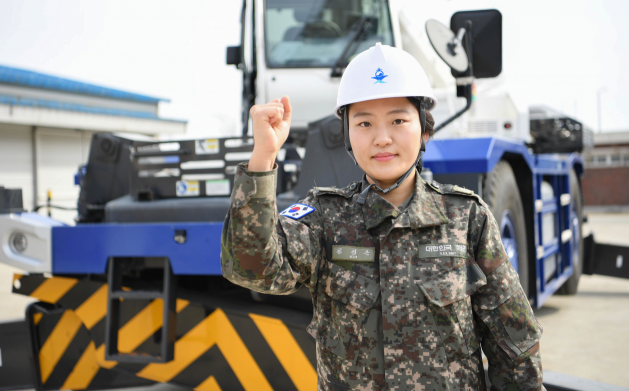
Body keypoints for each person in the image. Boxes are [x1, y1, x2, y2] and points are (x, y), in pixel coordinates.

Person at [221, 43, 544, 390]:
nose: (382, 138)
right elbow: (252, 269)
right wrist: (263, 156)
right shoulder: (326, 219)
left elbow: (515, 347)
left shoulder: (467, 219)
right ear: (347, 134)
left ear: (424, 129)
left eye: (399, 120)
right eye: (364, 123)